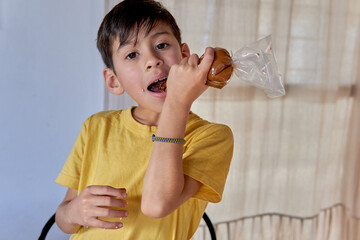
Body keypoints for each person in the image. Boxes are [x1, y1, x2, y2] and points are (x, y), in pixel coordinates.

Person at [55, 0, 234, 239]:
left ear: (183, 56)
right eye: (132, 54)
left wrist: (177, 104)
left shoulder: (212, 136)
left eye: (161, 45)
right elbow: (63, 217)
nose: (152, 60)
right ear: (113, 81)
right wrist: (73, 213)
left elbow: (156, 205)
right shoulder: (95, 127)